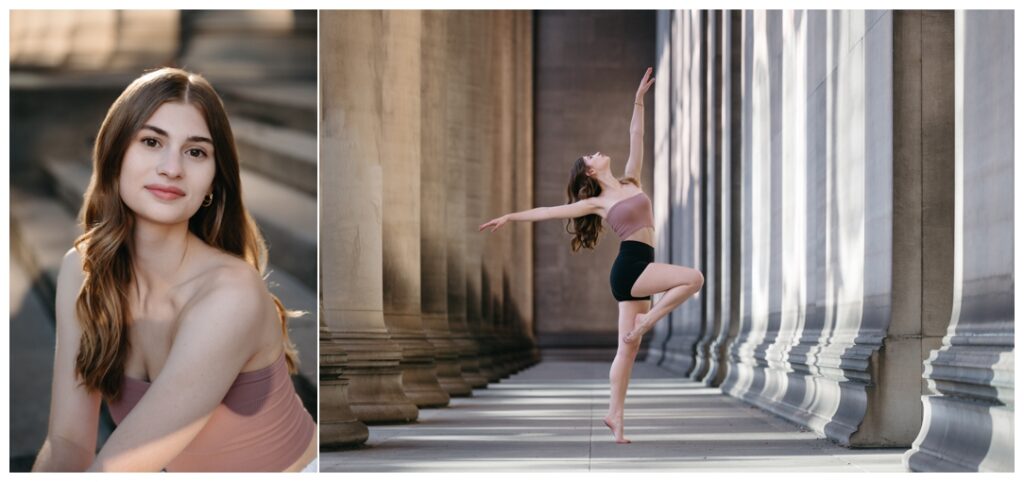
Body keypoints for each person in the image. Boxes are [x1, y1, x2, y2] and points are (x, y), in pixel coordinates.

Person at [31, 68, 317, 471]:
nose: (172, 168)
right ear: (116, 155)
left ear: (214, 182)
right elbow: (67, 443)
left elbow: (117, 469)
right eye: (151, 142)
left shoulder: (230, 295)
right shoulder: (83, 270)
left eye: (195, 151)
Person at [480, 67, 704, 444]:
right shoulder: (597, 204)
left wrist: (638, 100)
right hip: (631, 267)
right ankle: (650, 321)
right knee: (693, 278)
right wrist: (510, 216)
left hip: (639, 265)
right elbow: (550, 212)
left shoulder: (631, 181)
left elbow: (637, 137)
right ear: (590, 171)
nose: (598, 152)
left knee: (626, 350)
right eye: (591, 155)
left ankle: (614, 416)